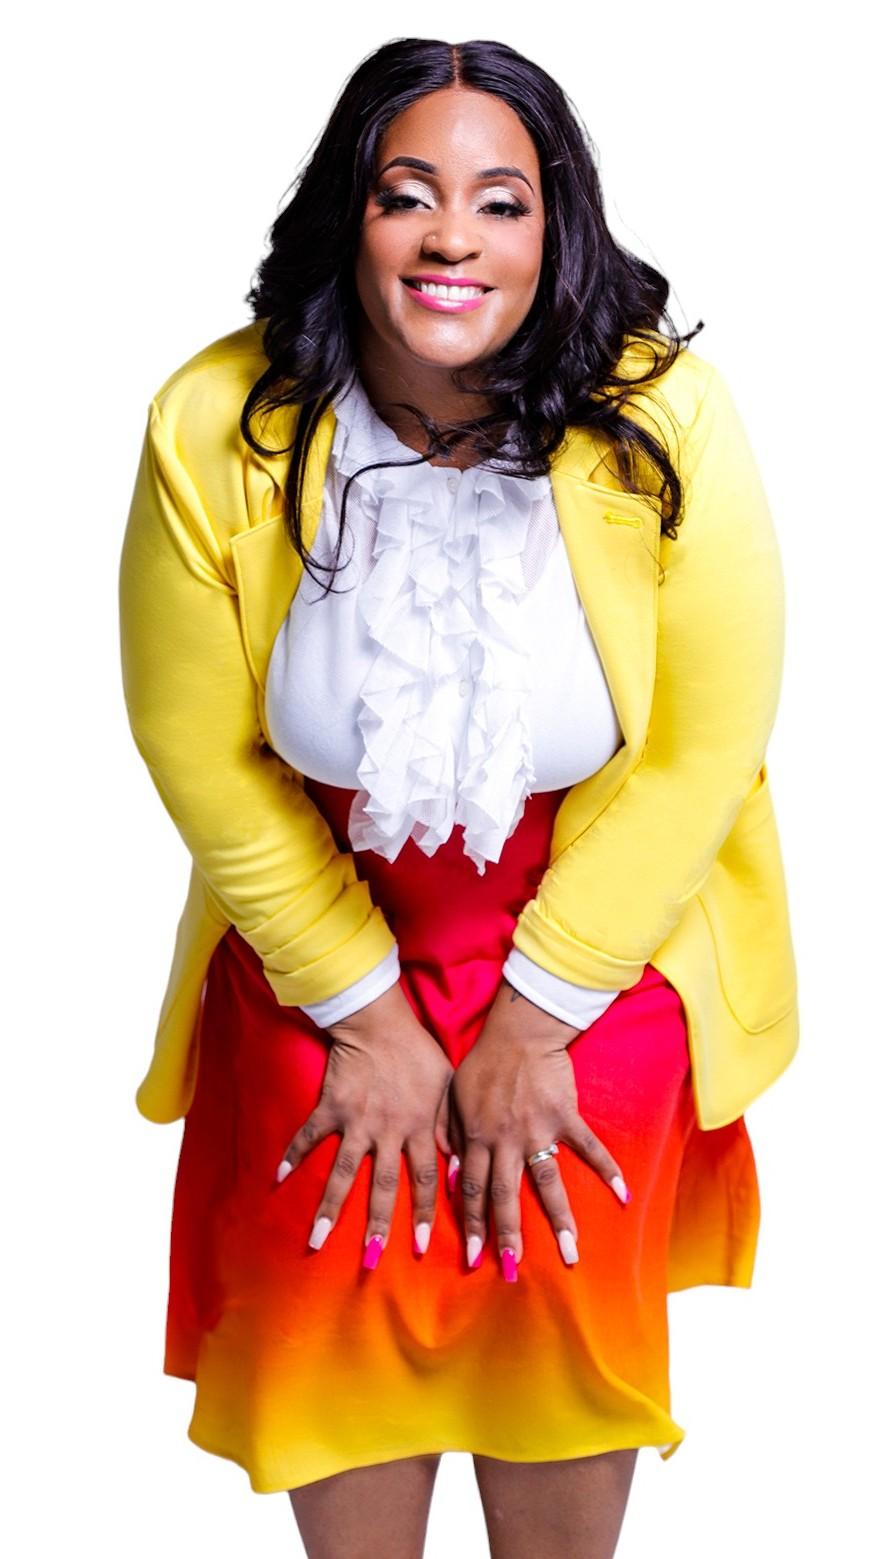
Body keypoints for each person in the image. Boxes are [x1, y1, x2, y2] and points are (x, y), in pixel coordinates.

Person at [118, 36, 798, 1559]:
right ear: (347, 217)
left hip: (598, 959)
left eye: (502, 202)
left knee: (557, 1350)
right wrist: (361, 1015)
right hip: (316, 955)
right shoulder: (216, 420)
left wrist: (539, 1016)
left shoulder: (667, 414)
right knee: (334, 1334)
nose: (451, 239)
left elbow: (706, 745)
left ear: (557, 230)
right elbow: (195, 745)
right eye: (405, 194)